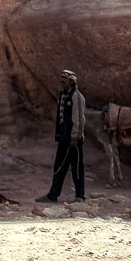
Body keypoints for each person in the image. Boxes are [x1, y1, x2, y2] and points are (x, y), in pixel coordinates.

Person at [39, 69, 87, 203]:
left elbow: (78, 118)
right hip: (64, 137)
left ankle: (80, 196)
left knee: (76, 167)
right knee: (59, 165)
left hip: (74, 139)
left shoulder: (76, 97)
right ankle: (53, 195)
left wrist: (74, 137)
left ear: (71, 82)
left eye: (64, 79)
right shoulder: (62, 95)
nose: (61, 81)